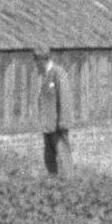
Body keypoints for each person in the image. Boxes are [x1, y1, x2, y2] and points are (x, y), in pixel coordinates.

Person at [35, 48, 70, 177]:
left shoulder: (58, 73)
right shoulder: (44, 75)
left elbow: (64, 97)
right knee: (49, 156)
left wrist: (63, 121)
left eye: (37, 61)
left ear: (43, 60)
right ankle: (53, 182)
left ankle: (68, 181)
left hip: (58, 124)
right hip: (47, 125)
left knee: (62, 156)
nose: (36, 65)